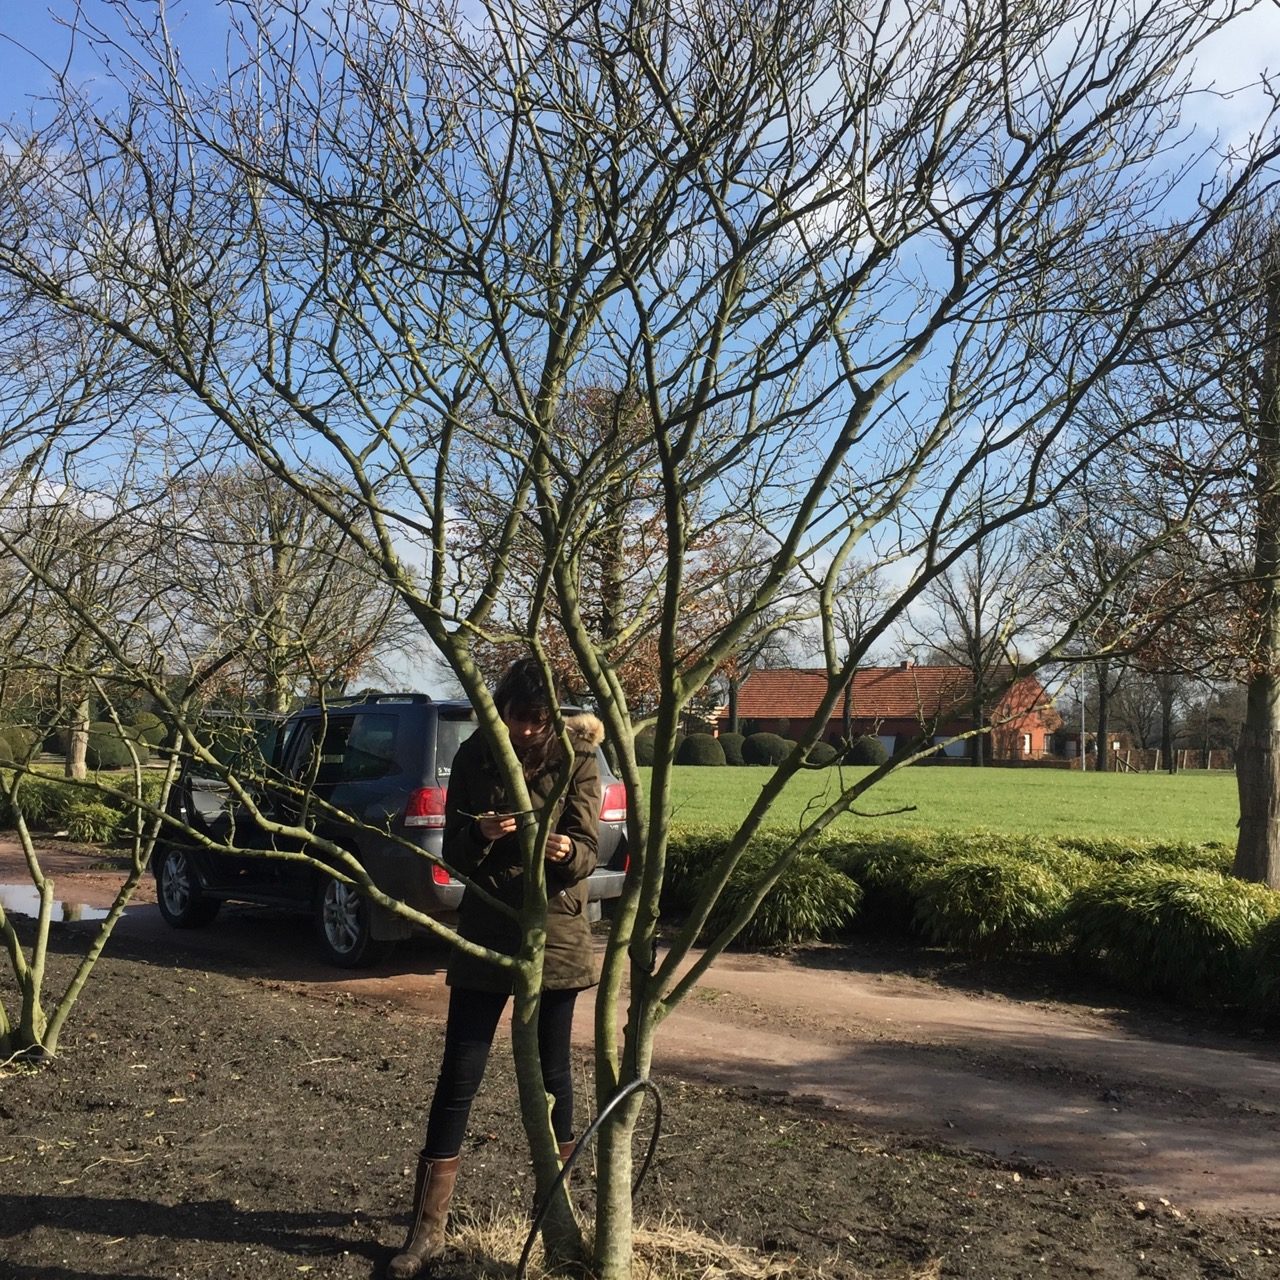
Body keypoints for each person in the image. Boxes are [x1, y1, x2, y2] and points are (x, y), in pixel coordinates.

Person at [387, 658, 602, 1279]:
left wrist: (565, 851)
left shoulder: (578, 755)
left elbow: (589, 849)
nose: (527, 730)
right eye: (517, 718)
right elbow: (452, 850)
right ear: (500, 710)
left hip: (553, 933)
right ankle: (426, 1228)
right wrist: (479, 833)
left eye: (538, 719)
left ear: (552, 714)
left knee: (554, 1075)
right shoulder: (479, 753)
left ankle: (554, 1216)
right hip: (485, 929)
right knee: (460, 1071)